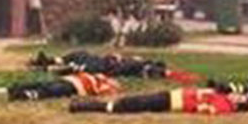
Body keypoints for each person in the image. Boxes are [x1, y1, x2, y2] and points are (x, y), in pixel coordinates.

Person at [69, 87, 248, 115]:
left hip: (172, 102)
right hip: (171, 95)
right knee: (129, 101)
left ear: (237, 104)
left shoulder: (224, 105)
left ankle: (83, 106)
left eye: (239, 97)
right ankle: (85, 103)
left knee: (125, 106)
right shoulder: (223, 97)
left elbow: (207, 109)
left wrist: (205, 99)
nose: (236, 94)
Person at [28, 49, 191, 80]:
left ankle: (47, 69)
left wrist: (115, 62)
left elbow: (121, 68)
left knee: (83, 67)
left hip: (106, 67)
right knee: (80, 54)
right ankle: (46, 61)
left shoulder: (140, 68)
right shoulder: (139, 61)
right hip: (105, 60)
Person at [0, 72, 120, 102]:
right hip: (68, 80)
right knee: (37, 84)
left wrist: (109, 86)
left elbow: (99, 93)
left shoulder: (107, 87)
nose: (114, 81)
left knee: (48, 91)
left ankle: (21, 96)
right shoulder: (99, 77)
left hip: (74, 88)